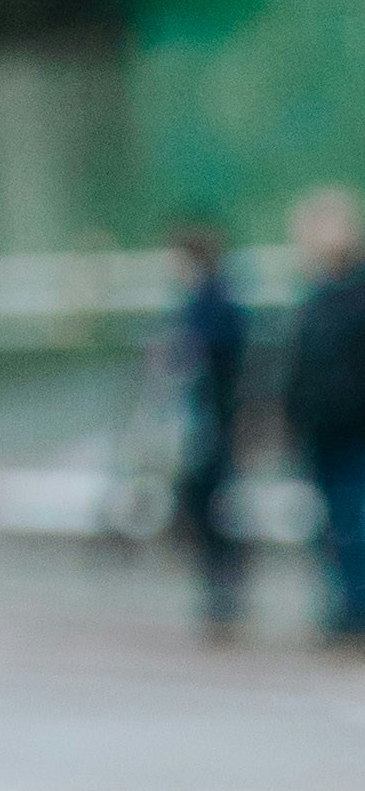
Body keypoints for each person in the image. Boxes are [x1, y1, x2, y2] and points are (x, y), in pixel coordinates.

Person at [161, 220, 253, 638]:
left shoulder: (214, 303)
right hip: (206, 421)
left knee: (213, 509)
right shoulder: (203, 301)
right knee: (206, 508)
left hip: (211, 422)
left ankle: (225, 596)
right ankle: (220, 594)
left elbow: (211, 359)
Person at [283, 188, 365, 649]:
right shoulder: (316, 293)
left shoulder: (353, 292)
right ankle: (345, 606)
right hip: (323, 429)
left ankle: (356, 608)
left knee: (354, 521)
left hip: (352, 429)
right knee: (333, 523)